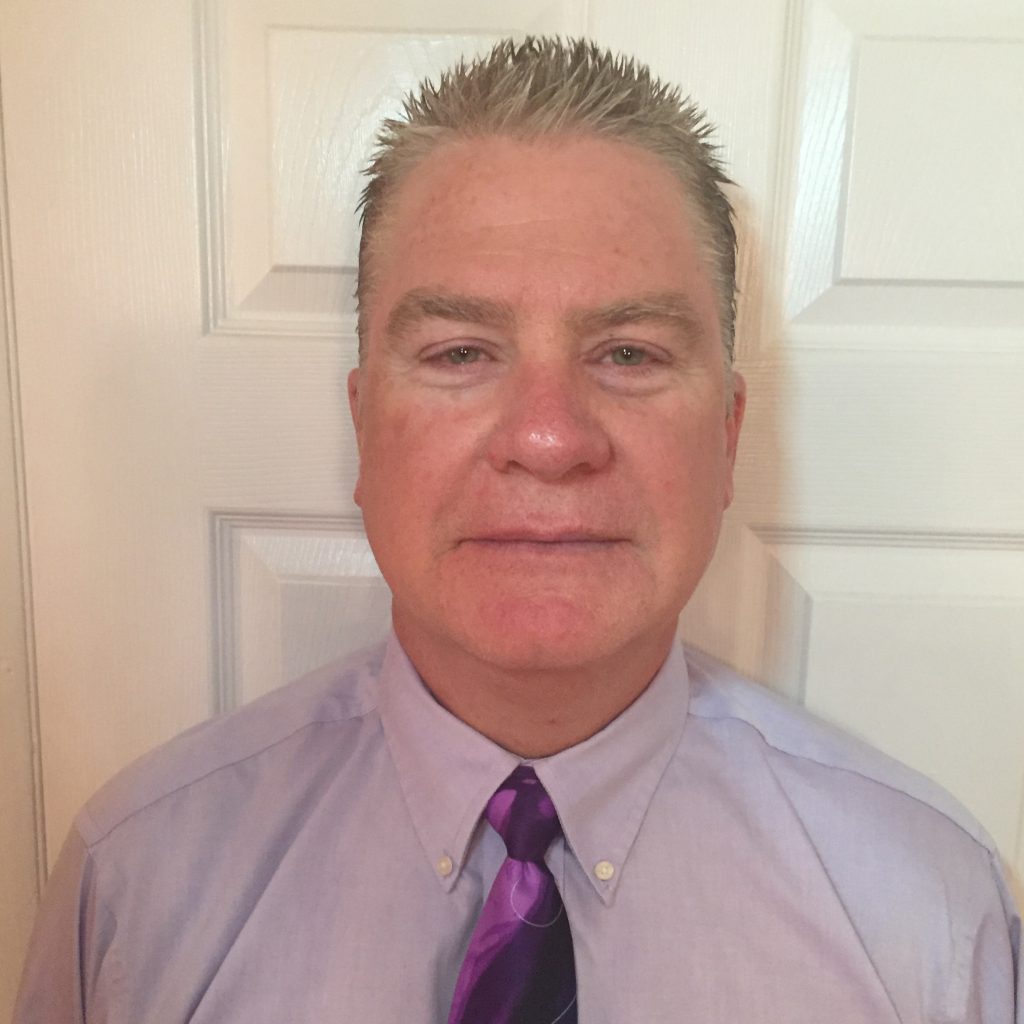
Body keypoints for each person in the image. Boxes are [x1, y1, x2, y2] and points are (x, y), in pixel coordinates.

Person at [15, 36, 1020, 1024]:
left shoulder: (928, 915)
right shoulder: (138, 887)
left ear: (727, 433)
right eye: (460, 352)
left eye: (629, 353)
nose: (548, 438)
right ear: (364, 426)